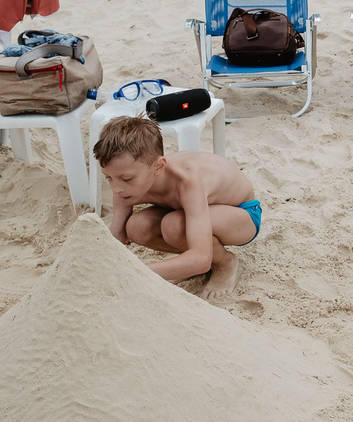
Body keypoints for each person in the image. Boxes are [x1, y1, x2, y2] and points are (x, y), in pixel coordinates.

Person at [93, 116, 261, 301]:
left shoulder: (188, 182)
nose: (116, 188)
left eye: (127, 179)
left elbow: (201, 259)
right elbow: (116, 237)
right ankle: (186, 262)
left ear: (158, 167)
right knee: (136, 227)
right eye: (108, 177)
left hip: (242, 215)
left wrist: (140, 272)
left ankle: (224, 263)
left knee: (174, 226)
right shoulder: (126, 185)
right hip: (192, 212)